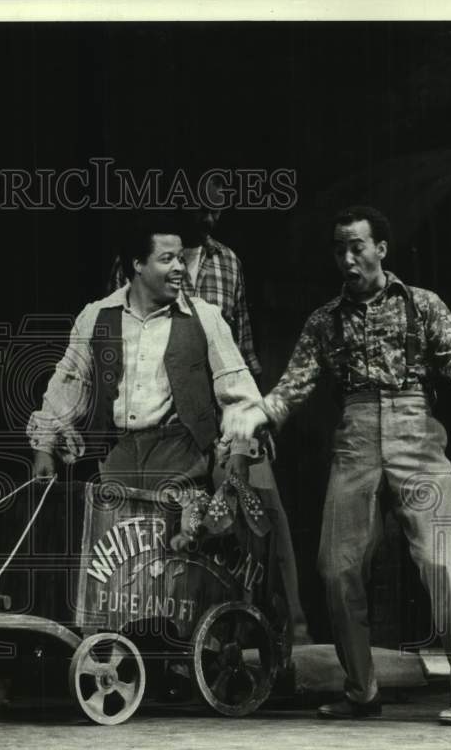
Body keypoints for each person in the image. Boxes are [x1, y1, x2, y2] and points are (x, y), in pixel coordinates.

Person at [225, 205, 451, 725]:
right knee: (337, 567)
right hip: (356, 435)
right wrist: (258, 414)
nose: (348, 259)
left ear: (380, 249)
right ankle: (361, 689)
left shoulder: (422, 304)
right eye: (340, 250)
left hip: (415, 429)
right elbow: (293, 386)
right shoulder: (325, 320)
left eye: (357, 247)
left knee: (443, 563)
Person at [111, 193, 310, 643]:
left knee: (263, 513)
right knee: (176, 527)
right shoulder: (139, 256)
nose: (212, 217)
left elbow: (243, 347)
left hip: (226, 415)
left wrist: (256, 417)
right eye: (204, 205)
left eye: (219, 208)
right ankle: (191, 639)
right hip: (169, 424)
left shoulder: (228, 262)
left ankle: (290, 630)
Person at [29, 211, 263, 498]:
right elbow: (68, 385)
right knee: (120, 527)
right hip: (117, 464)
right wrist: (45, 448)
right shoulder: (96, 316)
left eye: (180, 259)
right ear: (137, 264)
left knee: (176, 528)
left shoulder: (206, 317)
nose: (179, 268)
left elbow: (238, 391)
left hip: (182, 463)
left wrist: (239, 449)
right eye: (167, 259)